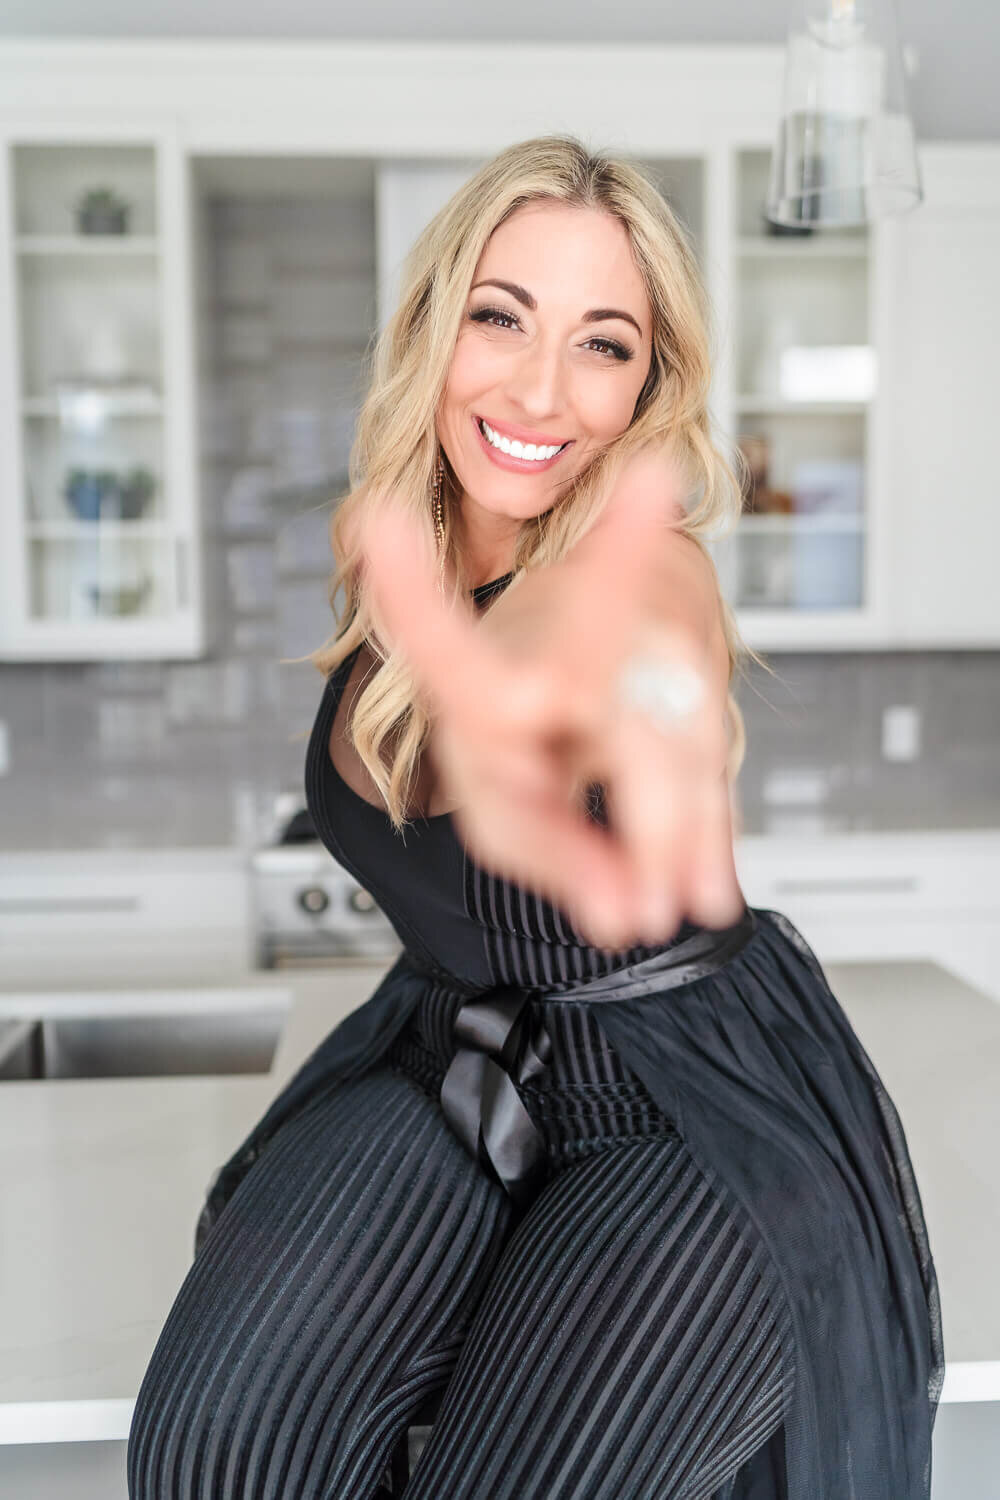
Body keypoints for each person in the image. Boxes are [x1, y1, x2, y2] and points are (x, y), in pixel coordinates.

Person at [127, 136, 944, 1500]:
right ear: (434, 326)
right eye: (501, 315)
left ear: (649, 388)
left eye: (604, 344)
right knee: (216, 1459)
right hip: (452, 1045)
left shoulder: (651, 567)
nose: (541, 390)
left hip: (696, 1114)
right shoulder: (383, 542)